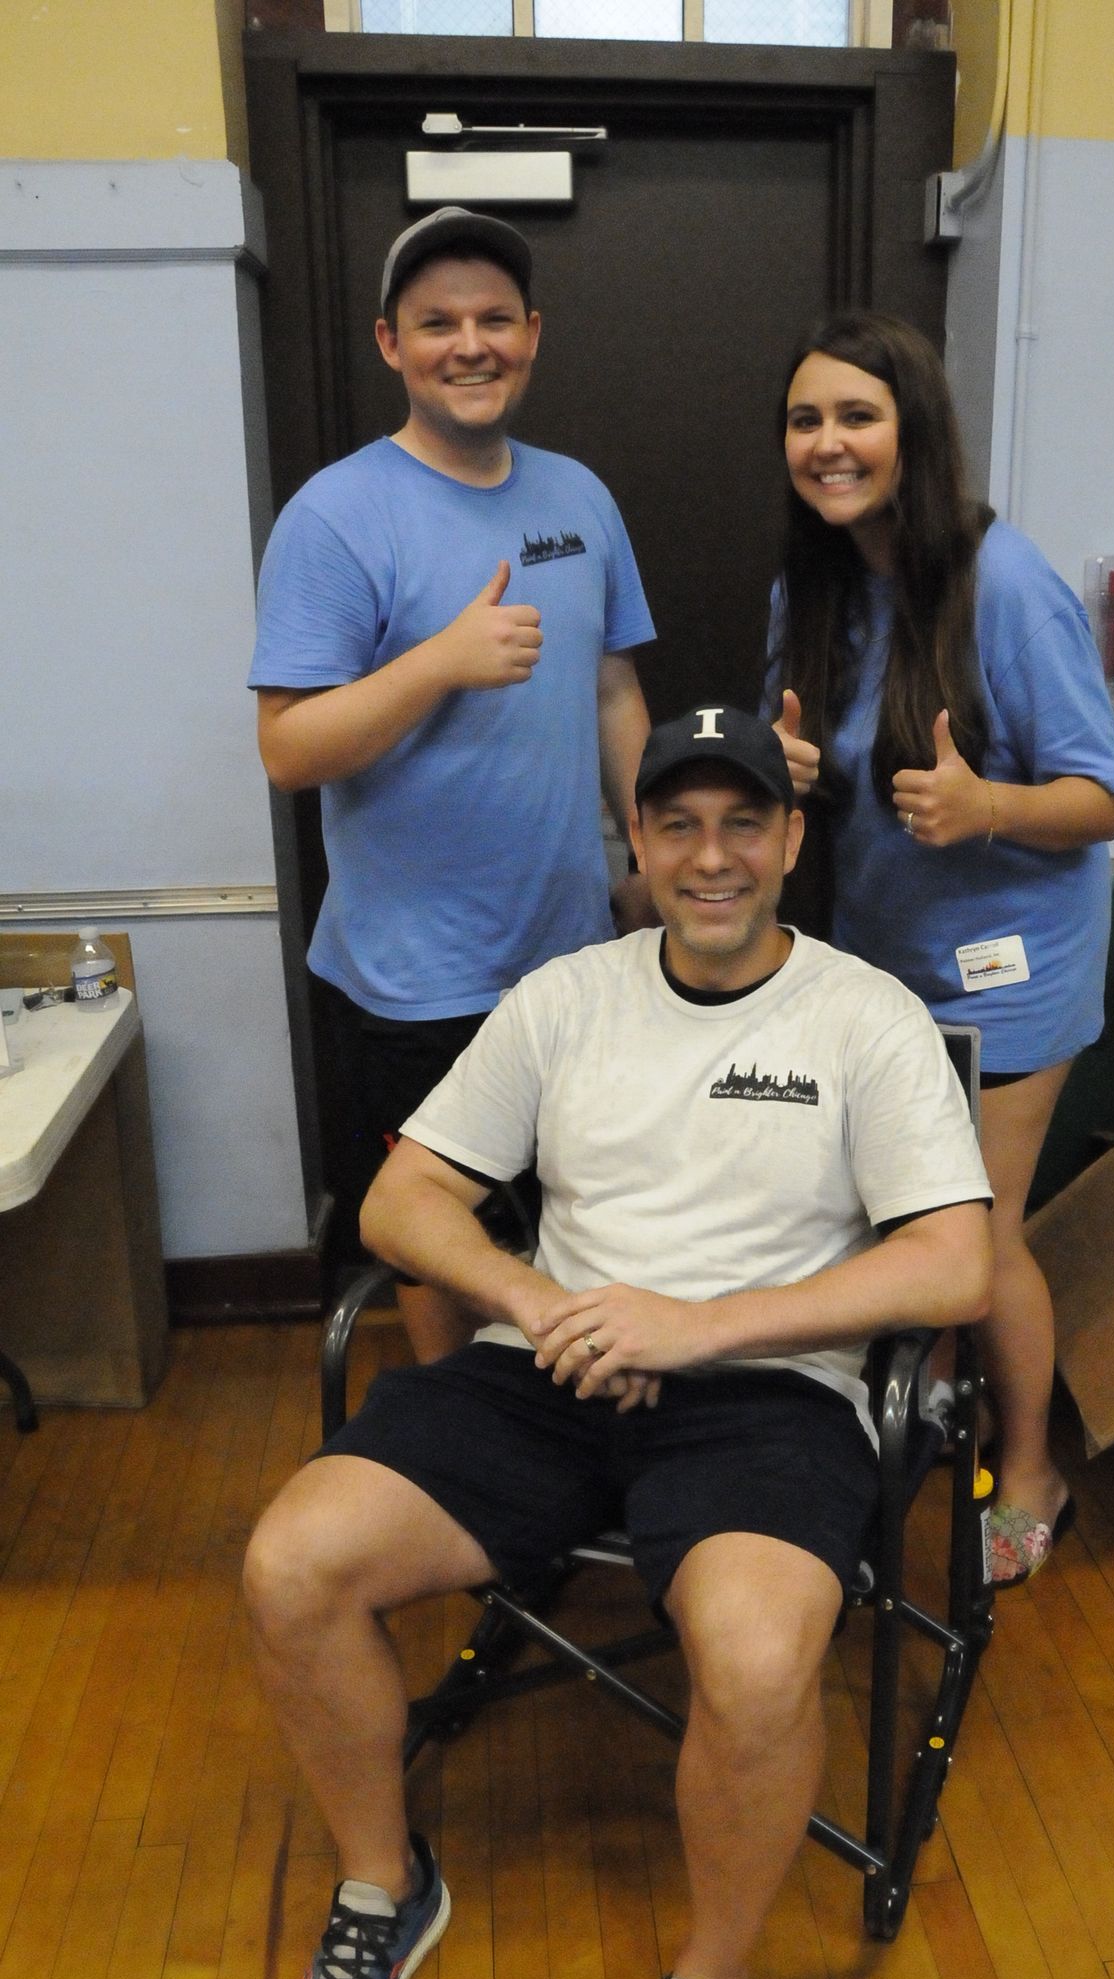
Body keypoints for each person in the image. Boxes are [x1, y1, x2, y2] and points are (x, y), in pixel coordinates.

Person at [243, 705, 992, 1979]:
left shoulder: (862, 1015)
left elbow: (950, 1261)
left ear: (786, 840)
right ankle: (382, 1889)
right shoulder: (564, 997)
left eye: (740, 825)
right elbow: (407, 1199)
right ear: (637, 843)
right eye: (675, 826)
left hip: (769, 1392)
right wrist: (543, 1306)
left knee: (763, 1665)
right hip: (555, 1372)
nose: (708, 857)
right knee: (292, 1565)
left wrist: (695, 1324)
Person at [249, 205, 655, 1363]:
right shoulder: (334, 516)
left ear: (532, 335)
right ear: (391, 345)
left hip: (572, 946)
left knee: (578, 1206)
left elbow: (613, 690)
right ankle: (460, 1444)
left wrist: (643, 866)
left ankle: (565, 1424)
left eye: (493, 320)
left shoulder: (580, 496)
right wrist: (438, 664)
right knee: (442, 1232)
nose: (468, 344)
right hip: (417, 975)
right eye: (438, 324)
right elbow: (288, 749)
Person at [767, 310, 1114, 1587]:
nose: (828, 444)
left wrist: (987, 808)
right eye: (805, 421)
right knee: (891, 1229)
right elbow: (797, 756)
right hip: (879, 967)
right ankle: (901, 1447)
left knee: (977, 1236)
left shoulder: (1005, 580)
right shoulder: (809, 585)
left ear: (914, 433)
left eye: (856, 416)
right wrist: (783, 768)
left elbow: (1102, 798)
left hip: (1012, 973)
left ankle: (1029, 1469)